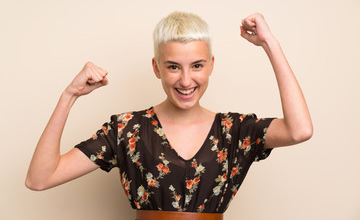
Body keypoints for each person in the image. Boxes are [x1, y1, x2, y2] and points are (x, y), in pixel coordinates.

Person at [26, 12, 313, 219]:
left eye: (197, 65)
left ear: (211, 65)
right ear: (156, 68)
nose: (186, 80)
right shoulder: (128, 129)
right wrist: (69, 96)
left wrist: (269, 44)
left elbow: (300, 130)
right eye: (174, 66)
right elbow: (39, 179)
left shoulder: (234, 130)